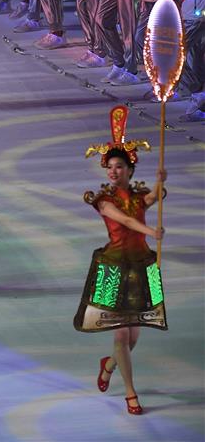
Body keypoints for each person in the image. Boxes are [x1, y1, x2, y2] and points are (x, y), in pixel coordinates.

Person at [74, 105, 167, 416]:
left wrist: (159, 183)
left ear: (129, 169)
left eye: (118, 167)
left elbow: (151, 200)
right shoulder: (102, 200)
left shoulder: (138, 196)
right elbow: (126, 222)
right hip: (114, 268)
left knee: (133, 336)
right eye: (109, 167)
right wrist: (151, 230)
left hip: (141, 266)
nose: (112, 172)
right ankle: (131, 393)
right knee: (121, 333)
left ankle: (110, 365)